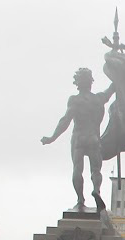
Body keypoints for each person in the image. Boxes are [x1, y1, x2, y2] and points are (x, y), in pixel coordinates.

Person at [41, 68, 116, 210]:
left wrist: (52, 138)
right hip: (93, 138)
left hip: (79, 138)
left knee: (77, 169)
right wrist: (119, 72)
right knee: (96, 170)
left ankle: (80, 199)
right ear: (91, 82)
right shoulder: (98, 99)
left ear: (77, 83)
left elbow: (65, 121)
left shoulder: (75, 100)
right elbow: (112, 88)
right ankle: (96, 189)